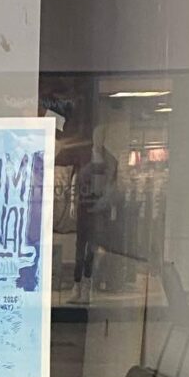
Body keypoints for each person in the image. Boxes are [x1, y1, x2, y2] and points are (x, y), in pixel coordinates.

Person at [70, 124, 117, 304]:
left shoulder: (110, 160)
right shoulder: (83, 156)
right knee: (80, 247)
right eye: (97, 135)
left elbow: (111, 187)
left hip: (98, 209)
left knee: (91, 248)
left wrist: (108, 205)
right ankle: (76, 286)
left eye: (102, 136)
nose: (99, 139)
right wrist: (73, 203)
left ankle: (86, 288)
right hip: (83, 206)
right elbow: (75, 179)